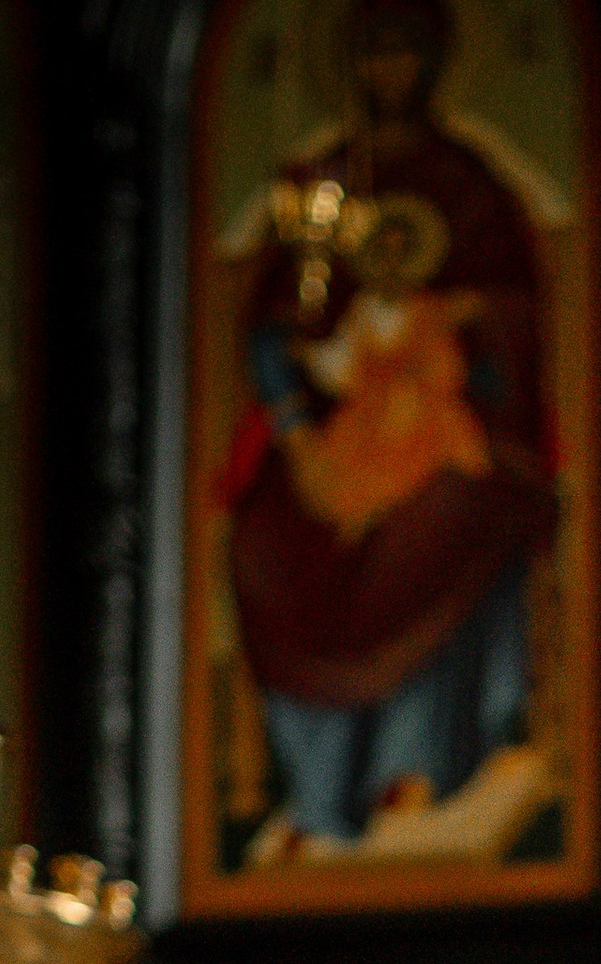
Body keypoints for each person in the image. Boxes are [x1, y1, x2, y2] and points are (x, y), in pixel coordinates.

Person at [221, 0, 556, 862]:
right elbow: (277, 331)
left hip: (454, 430)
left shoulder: (468, 184)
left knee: (438, 522)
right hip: (336, 436)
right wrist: (297, 436)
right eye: (373, 52)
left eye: (406, 51)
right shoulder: (319, 188)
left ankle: (431, 770)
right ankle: (323, 794)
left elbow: (515, 324)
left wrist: (458, 319)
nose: (389, 71)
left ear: (437, 59)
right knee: (262, 544)